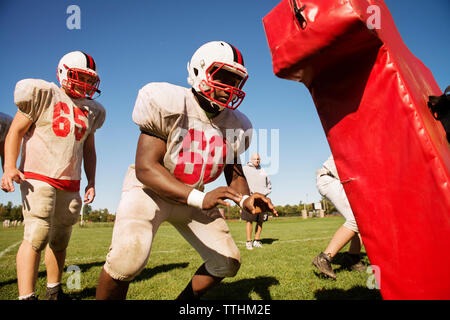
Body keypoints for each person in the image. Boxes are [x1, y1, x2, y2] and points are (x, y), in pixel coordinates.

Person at [95, 41, 277, 300]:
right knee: (127, 261)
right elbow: (146, 168)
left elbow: (234, 173)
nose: (230, 88)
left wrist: (246, 198)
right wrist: (201, 198)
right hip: (150, 191)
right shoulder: (169, 102)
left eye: (235, 81)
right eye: (223, 76)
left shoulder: (236, 124)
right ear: (199, 71)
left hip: (193, 196)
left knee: (227, 263)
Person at [0, 51, 106, 300]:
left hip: (70, 181)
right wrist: (9, 167)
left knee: (60, 240)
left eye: (90, 80)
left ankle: (54, 291)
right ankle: (26, 296)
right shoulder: (43, 94)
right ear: (63, 73)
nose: (85, 84)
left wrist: (91, 180)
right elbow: (15, 131)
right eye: (80, 77)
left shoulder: (91, 111)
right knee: (36, 234)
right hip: (39, 175)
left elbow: (89, 150)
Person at [312, 154, 364, 280]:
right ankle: (324, 258)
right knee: (356, 219)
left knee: (362, 220)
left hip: (335, 180)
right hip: (330, 179)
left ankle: (352, 258)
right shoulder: (361, 137)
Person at [241, 153, 272, 250]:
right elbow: (241, 182)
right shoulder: (245, 169)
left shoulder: (263, 170)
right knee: (249, 220)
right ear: (251, 159)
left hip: (262, 199)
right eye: (255, 159)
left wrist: (266, 193)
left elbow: (269, 184)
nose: (257, 161)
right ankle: (249, 241)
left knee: (260, 221)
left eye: (258, 159)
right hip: (251, 199)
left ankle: (256, 240)